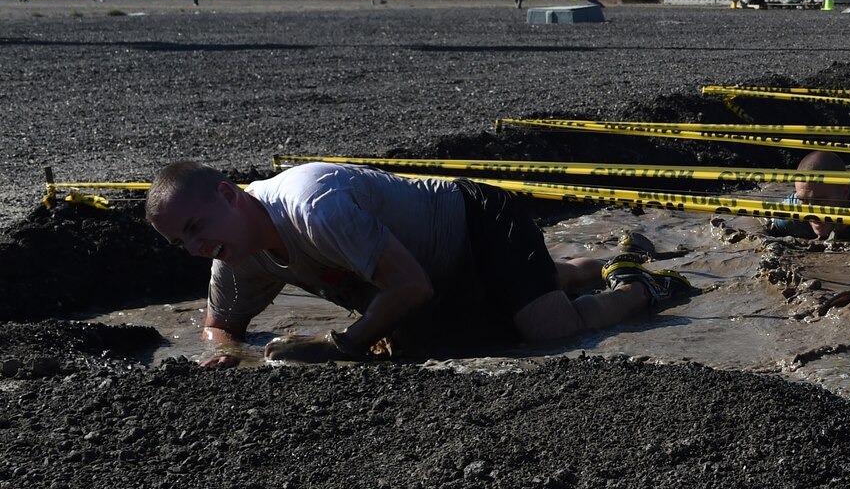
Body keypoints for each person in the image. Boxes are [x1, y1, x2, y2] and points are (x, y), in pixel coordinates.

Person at [144, 161, 691, 366]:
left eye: (195, 229)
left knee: (548, 332)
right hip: (426, 273)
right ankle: (591, 265)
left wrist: (342, 345)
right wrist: (229, 356)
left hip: (474, 221)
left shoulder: (314, 206)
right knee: (460, 335)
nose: (194, 248)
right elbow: (218, 328)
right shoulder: (234, 257)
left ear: (228, 194)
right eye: (180, 244)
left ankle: (645, 287)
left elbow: (411, 287)